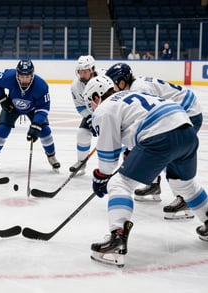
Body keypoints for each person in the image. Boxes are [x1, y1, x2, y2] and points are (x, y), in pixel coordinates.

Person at [81, 75, 208, 267]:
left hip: (160, 135)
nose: (91, 107)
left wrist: (100, 177)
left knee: (119, 183)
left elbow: (108, 161)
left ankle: (117, 238)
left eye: (91, 101)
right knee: (183, 184)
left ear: (97, 96)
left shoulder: (104, 109)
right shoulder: (128, 94)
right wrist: (132, 151)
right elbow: (138, 125)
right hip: (186, 129)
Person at [105, 62, 203, 220]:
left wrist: (131, 150)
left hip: (187, 114)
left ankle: (184, 198)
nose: (112, 90)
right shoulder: (137, 85)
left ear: (122, 82)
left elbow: (154, 125)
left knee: (169, 153)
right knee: (159, 149)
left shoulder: (138, 89)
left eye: (113, 85)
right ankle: (154, 185)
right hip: (184, 110)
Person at [0, 59, 60, 172]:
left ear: (32, 75)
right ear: (17, 74)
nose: (24, 79)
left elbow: (43, 107)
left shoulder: (41, 86)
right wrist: (2, 98)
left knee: (45, 130)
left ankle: (51, 156)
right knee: (2, 129)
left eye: (27, 76)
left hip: (34, 109)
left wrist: (36, 124)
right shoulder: (8, 77)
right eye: (22, 76)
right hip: (12, 105)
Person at [69, 55, 100, 174]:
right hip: (92, 113)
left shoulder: (105, 78)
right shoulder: (76, 86)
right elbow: (80, 106)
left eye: (85, 71)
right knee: (82, 134)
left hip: (112, 113)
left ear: (92, 70)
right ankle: (81, 162)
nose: (82, 75)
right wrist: (89, 118)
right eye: (80, 71)